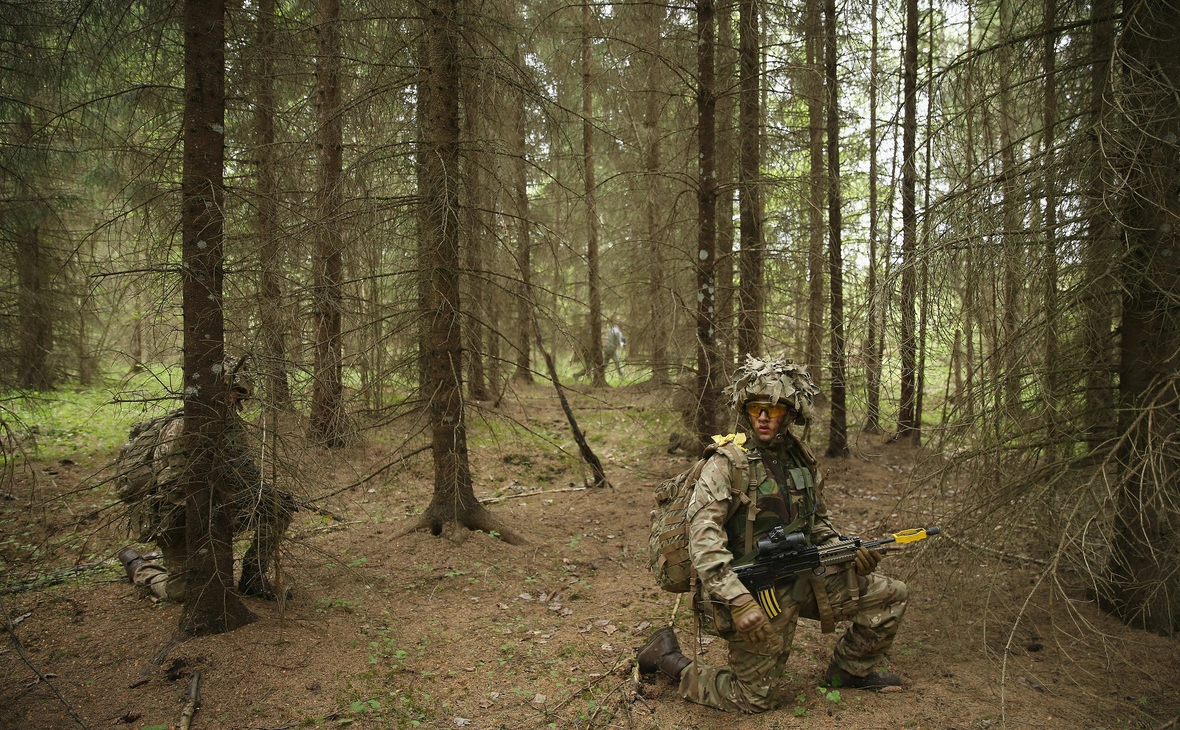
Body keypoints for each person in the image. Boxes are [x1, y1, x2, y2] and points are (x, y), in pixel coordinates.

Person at [637, 355, 909, 713]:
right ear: (745, 410)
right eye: (755, 409)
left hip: (800, 577)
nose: (763, 417)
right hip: (748, 588)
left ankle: (849, 672)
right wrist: (737, 599)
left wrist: (847, 551)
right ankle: (667, 658)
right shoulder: (727, 464)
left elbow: (818, 524)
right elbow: (703, 540)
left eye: (774, 409)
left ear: (792, 414)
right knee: (753, 698)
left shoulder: (802, 459)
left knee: (889, 594)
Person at [116, 372, 295, 602]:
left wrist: (255, 493)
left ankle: (253, 578)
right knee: (182, 592)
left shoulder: (232, 426)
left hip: (214, 510)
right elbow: (174, 490)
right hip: (176, 521)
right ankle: (139, 567)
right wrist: (222, 501)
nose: (232, 397)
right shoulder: (183, 426)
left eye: (238, 392)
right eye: (229, 388)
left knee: (278, 505)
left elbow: (243, 473)